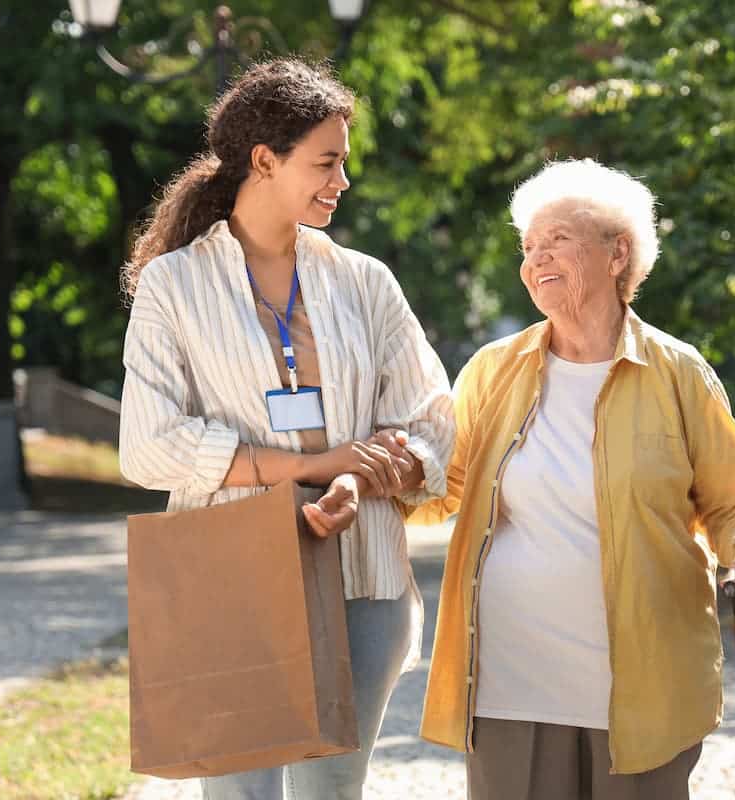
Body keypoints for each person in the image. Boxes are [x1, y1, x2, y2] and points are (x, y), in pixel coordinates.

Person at [118, 58, 454, 800]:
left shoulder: (366, 281)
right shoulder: (174, 284)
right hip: (233, 573)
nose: (342, 180)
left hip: (366, 574)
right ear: (265, 161)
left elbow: (431, 416)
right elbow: (147, 445)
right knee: (240, 796)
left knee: (332, 793)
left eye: (344, 161)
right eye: (326, 162)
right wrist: (302, 466)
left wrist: (367, 471)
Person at [409, 159, 735, 800]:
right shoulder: (493, 370)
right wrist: (361, 473)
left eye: (557, 239)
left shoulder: (677, 373)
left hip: (644, 685)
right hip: (512, 680)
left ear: (618, 254)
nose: (536, 259)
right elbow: (438, 485)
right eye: (529, 247)